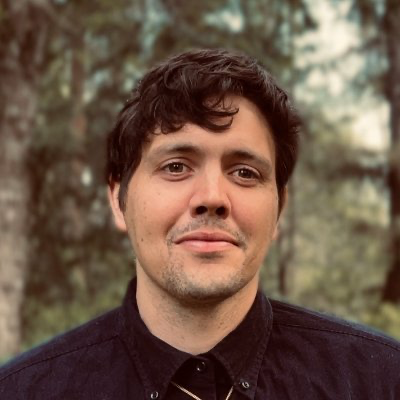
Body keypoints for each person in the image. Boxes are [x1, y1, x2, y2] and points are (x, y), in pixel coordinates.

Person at [1, 48, 399, 400]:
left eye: (244, 172)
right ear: (118, 201)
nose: (212, 197)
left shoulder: (380, 381)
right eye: (176, 167)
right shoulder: (22, 392)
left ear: (279, 210)